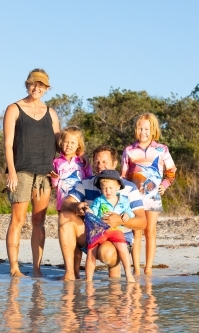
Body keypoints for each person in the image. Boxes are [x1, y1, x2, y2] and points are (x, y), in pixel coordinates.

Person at [58, 145, 147, 281]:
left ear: (114, 163)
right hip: (92, 234)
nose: (100, 166)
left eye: (105, 162)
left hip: (118, 235)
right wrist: (76, 206)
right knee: (65, 215)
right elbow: (65, 203)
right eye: (97, 162)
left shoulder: (129, 188)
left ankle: (114, 279)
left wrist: (121, 220)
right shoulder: (86, 183)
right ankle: (70, 274)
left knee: (106, 253)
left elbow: (142, 222)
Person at [3, 68, 60, 277]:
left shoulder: (51, 112)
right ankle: (14, 268)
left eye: (41, 85)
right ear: (27, 85)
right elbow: (8, 144)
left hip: (45, 174)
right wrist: (11, 172)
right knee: (17, 220)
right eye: (33, 84)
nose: (36, 88)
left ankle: (37, 268)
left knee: (39, 221)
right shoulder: (14, 109)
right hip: (22, 171)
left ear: (46, 88)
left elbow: (60, 143)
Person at [120, 113, 176, 275]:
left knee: (150, 232)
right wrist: (123, 198)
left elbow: (171, 171)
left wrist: (164, 185)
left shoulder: (161, 149)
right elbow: (123, 177)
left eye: (146, 129)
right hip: (134, 198)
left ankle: (149, 268)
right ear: (135, 130)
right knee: (137, 232)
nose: (143, 132)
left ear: (153, 130)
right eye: (140, 128)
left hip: (152, 197)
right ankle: (136, 268)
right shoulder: (129, 150)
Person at [84, 169, 136, 283]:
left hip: (116, 230)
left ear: (118, 187)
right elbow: (93, 211)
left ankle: (128, 274)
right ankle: (88, 280)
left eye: (111, 188)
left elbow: (130, 211)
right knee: (91, 253)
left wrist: (127, 214)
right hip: (100, 230)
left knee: (122, 248)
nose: (108, 191)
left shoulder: (123, 201)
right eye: (104, 188)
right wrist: (89, 211)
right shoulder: (99, 200)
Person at [50, 126, 92, 212]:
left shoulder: (83, 162)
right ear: (61, 143)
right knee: (63, 224)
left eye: (73, 143)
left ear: (78, 145)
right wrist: (54, 179)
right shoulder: (56, 162)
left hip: (81, 201)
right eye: (66, 142)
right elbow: (55, 185)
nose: (69, 145)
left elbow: (89, 180)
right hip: (63, 202)